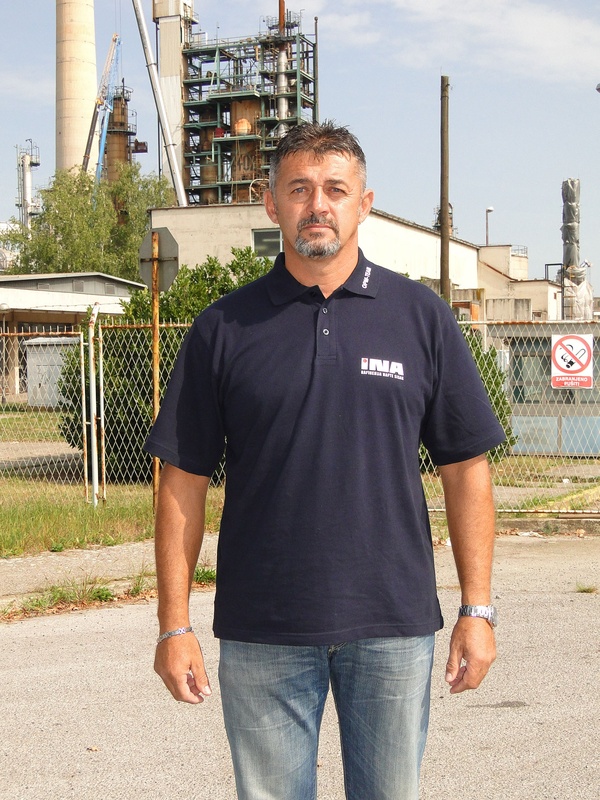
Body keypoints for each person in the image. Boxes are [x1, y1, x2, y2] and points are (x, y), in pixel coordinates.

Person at [145, 121, 506, 800]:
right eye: (299, 189)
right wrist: (174, 624)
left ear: (364, 203)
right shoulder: (223, 328)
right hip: (263, 629)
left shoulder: (420, 317)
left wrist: (477, 609)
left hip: (392, 624)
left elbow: (466, 469)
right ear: (271, 203)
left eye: (336, 189)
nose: (318, 205)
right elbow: (182, 480)